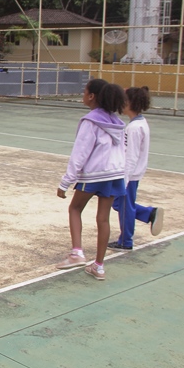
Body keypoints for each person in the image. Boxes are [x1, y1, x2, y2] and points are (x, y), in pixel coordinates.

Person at [56, 80, 127, 281]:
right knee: (103, 219)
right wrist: (123, 176)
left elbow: (80, 153)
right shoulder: (117, 122)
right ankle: (99, 266)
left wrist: (65, 182)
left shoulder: (90, 122)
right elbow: (122, 152)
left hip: (95, 174)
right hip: (115, 175)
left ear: (92, 96)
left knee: (75, 209)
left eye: (84, 91)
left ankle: (77, 252)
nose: (83, 94)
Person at [109, 86, 164, 250]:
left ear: (130, 103)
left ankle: (126, 241)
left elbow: (131, 156)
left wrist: (123, 181)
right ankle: (148, 214)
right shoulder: (139, 123)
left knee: (124, 206)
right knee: (119, 204)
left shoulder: (134, 128)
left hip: (130, 175)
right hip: (133, 173)